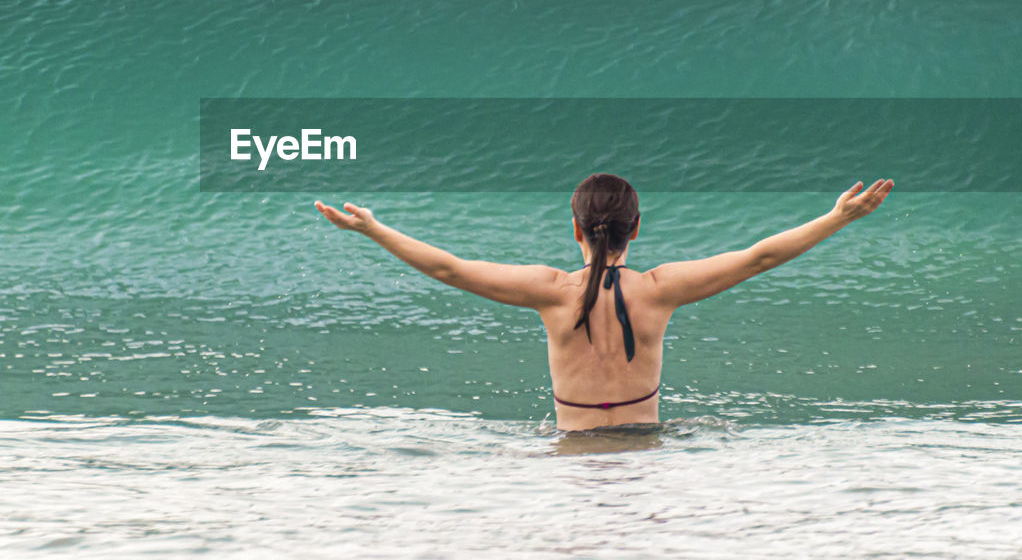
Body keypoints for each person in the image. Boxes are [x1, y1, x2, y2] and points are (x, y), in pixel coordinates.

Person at [313, 173, 894, 431]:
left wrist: (374, 229)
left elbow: (448, 267)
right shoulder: (659, 290)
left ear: (576, 230)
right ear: (634, 229)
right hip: (647, 460)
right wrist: (837, 218)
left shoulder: (551, 292)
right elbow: (759, 256)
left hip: (572, 461)